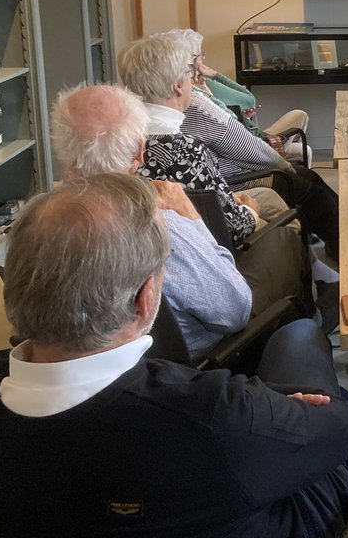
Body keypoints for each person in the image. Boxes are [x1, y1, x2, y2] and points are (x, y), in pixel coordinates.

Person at [0, 174, 348, 538]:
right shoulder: (212, 414)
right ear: (146, 299)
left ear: (12, 289)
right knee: (304, 341)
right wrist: (272, 415)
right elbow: (336, 431)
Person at [50, 83, 312, 357]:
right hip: (198, 358)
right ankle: (304, 333)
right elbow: (235, 310)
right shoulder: (162, 222)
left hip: (91, 360)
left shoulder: (40, 220)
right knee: (284, 238)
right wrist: (192, 218)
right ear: (140, 150)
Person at [157, 33, 341, 260]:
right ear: (178, 80)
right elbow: (244, 146)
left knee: (311, 181)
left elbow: (243, 111)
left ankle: (336, 243)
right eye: (195, 62)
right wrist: (284, 165)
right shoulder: (195, 105)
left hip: (236, 170)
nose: (198, 67)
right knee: (308, 189)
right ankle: (343, 249)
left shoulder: (187, 99)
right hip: (240, 178)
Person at [117, 34, 263, 249]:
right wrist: (251, 211)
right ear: (177, 85)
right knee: (282, 223)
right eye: (190, 74)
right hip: (201, 251)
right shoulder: (184, 148)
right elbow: (234, 228)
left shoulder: (117, 138)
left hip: (140, 246)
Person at [166, 28, 311, 164]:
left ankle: (283, 151)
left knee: (300, 116)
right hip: (252, 144)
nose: (203, 58)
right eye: (200, 55)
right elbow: (248, 100)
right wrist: (213, 75)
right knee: (305, 148)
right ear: (192, 60)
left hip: (248, 136)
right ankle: (282, 155)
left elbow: (229, 118)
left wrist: (244, 117)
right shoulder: (199, 90)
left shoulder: (183, 92)